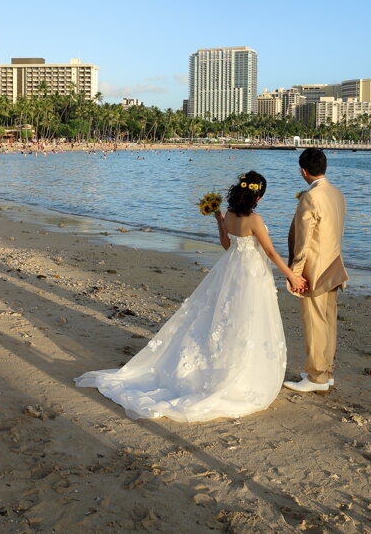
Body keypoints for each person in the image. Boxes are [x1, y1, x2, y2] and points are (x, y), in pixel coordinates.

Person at [76, 171, 306, 422]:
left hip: (230, 269)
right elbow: (271, 253)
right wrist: (292, 276)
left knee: (222, 317)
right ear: (258, 196)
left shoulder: (228, 216)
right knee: (245, 319)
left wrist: (218, 219)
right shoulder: (255, 220)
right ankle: (239, 371)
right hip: (251, 273)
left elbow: (227, 246)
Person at [281, 148, 349, 395]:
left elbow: (304, 239)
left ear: (303, 171)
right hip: (334, 265)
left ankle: (317, 377)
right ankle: (326, 372)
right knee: (328, 322)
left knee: (314, 323)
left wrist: (295, 272)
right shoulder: (337, 194)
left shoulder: (310, 197)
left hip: (315, 268)